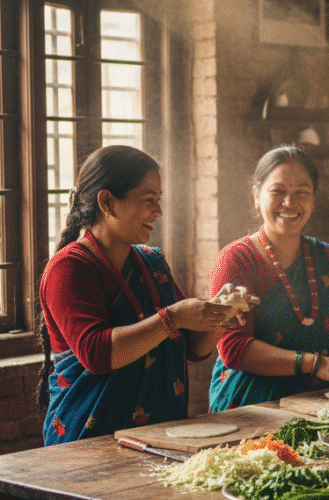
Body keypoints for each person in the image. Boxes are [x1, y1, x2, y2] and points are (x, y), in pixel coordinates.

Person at [37, 145, 238, 445]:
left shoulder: (151, 262)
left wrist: (219, 314)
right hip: (89, 443)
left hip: (160, 437)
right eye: (148, 200)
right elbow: (98, 354)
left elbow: (194, 348)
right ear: (107, 202)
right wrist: (176, 315)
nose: (158, 211)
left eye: (158, 200)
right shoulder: (69, 269)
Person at [209, 145, 329, 411]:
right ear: (257, 196)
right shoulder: (237, 259)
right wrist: (317, 364)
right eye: (278, 192)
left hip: (323, 404)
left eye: (301, 193)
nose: (289, 203)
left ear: (313, 200)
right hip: (252, 407)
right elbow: (233, 347)